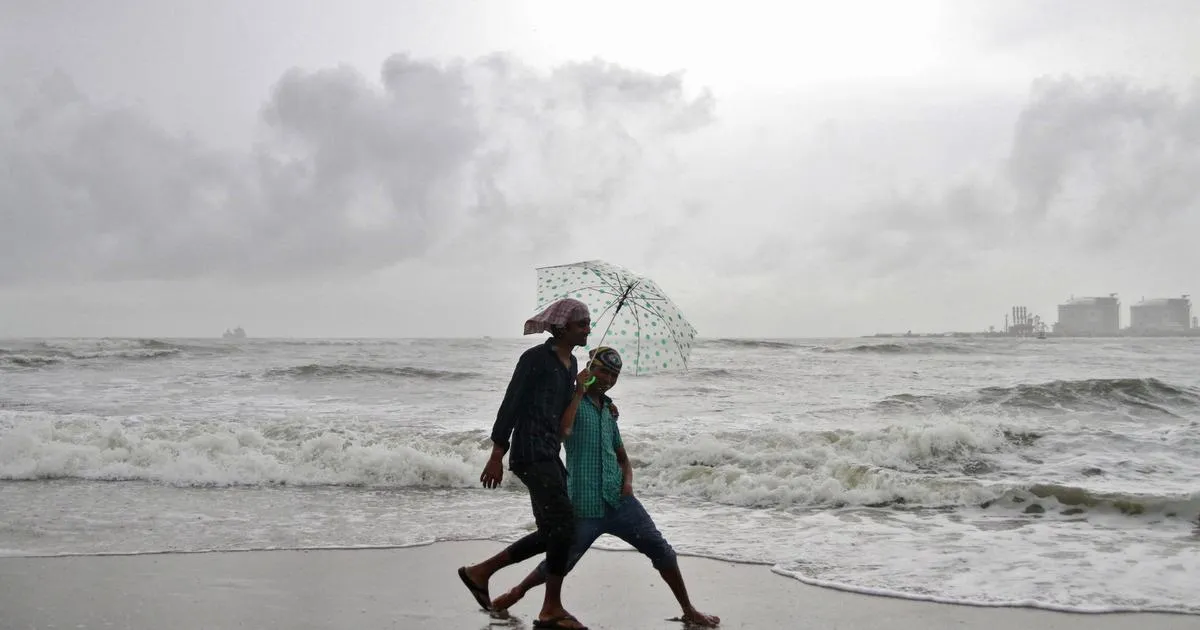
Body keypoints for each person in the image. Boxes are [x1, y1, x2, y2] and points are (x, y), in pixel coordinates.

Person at [490, 346, 720, 627]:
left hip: (620, 502)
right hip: (584, 505)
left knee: (662, 550)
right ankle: (517, 592)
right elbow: (563, 433)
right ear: (590, 369)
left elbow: (622, 457)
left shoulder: (609, 411)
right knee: (561, 561)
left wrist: (628, 483)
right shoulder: (570, 402)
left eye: (614, 375)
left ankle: (688, 608)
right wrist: (578, 392)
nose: (608, 379)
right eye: (603, 372)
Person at [457, 298, 593, 630]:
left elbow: (564, 416)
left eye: (589, 323)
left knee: (552, 532)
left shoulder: (572, 365)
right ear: (562, 327)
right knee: (564, 525)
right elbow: (511, 405)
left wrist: (586, 393)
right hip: (529, 452)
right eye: (582, 324)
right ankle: (551, 608)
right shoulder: (535, 359)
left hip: (549, 453)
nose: (588, 329)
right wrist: (496, 455)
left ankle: (480, 572)